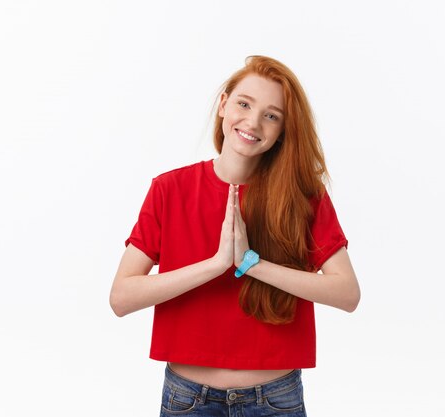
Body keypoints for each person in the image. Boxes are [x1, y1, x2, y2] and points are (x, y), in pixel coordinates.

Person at [109, 55, 360, 417]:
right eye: (244, 104)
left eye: (271, 115)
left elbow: (347, 293)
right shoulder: (170, 189)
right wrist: (215, 265)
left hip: (275, 400)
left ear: (283, 130)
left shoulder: (304, 197)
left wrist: (251, 264)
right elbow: (121, 298)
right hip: (187, 399)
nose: (253, 122)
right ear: (224, 104)